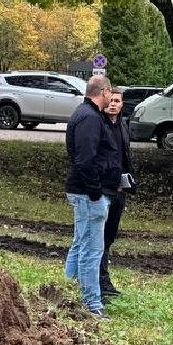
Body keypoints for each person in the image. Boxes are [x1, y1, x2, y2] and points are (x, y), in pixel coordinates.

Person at [65, 74, 115, 316]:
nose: (111, 97)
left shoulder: (84, 114)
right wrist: (96, 192)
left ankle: (67, 290)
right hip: (88, 194)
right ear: (103, 92)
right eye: (110, 93)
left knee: (80, 243)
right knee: (91, 250)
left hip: (83, 191)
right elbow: (85, 160)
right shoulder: (90, 118)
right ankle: (92, 304)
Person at [99, 87, 135, 300]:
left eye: (117, 101)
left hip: (120, 189)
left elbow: (125, 157)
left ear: (122, 104)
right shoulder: (100, 125)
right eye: (110, 100)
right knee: (98, 238)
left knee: (110, 236)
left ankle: (104, 278)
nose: (113, 104)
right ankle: (100, 280)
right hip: (103, 189)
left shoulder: (122, 125)